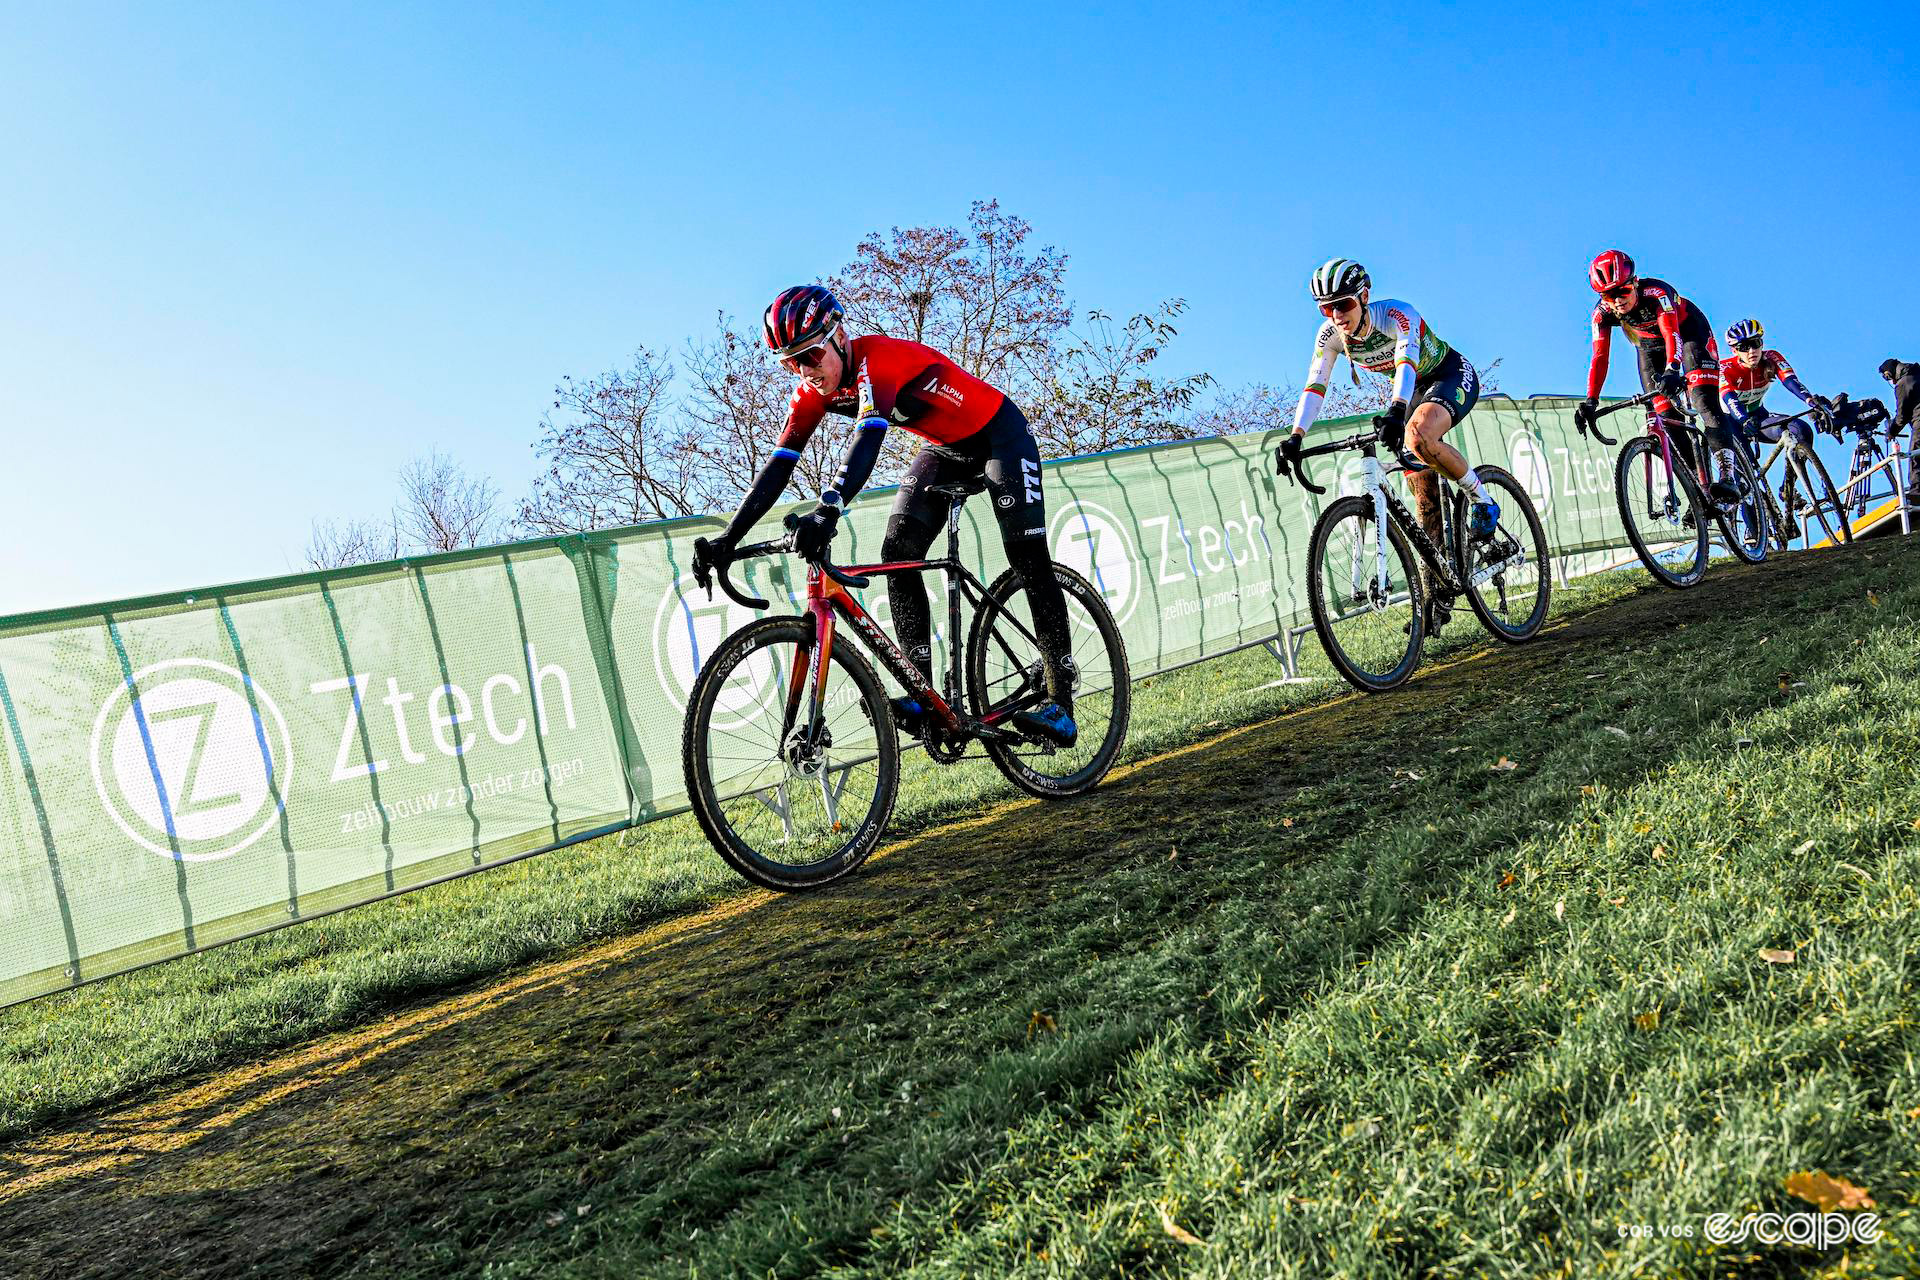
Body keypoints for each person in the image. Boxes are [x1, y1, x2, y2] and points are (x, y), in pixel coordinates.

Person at [693, 284, 1078, 747]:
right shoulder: (813, 392)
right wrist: (728, 539)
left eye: (811, 355)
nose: (805, 370)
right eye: (791, 363)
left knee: (1027, 558)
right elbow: (779, 464)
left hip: (1000, 436)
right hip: (946, 449)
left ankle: (1061, 701)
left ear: (839, 336)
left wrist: (829, 508)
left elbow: (867, 442)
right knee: (898, 553)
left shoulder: (879, 363)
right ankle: (923, 694)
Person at [1276, 259, 1493, 626]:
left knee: (1419, 436)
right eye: (1326, 308)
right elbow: (1315, 387)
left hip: (1447, 375)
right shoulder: (1329, 336)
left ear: (1363, 296)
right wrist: (1295, 437)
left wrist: (1396, 412)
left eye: (1343, 304)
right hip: (1410, 392)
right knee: (1422, 492)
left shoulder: (1396, 315)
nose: (1336, 315)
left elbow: (1407, 364)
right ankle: (1436, 591)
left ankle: (1482, 499)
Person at [1577, 250, 1742, 504]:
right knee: (1667, 419)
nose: (1617, 300)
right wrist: (1591, 400)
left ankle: (1728, 476)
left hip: (1688, 335)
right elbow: (1599, 358)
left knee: (1703, 400)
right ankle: (1702, 493)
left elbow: (1671, 333)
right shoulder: (1601, 314)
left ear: (1634, 283)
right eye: (1608, 295)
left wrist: (1673, 369)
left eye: (1622, 291)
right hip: (1648, 347)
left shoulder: (1657, 293)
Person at [1881, 358, 1920, 499]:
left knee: (1916, 455)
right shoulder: (1917, 373)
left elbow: (1902, 415)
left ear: (1889, 374)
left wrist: (1891, 432)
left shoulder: (1903, 383)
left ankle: (1917, 492)